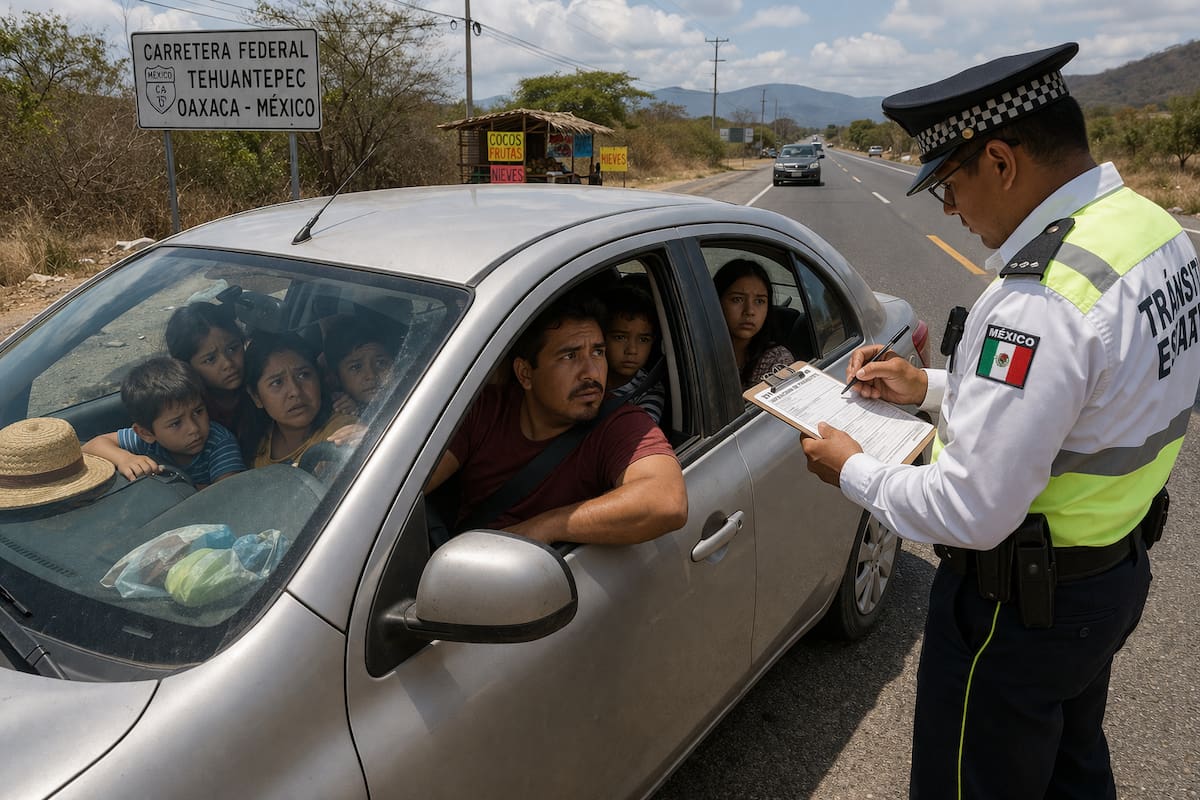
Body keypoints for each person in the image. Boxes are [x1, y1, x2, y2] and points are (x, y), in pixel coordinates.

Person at [800, 43, 1200, 799]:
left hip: (1015, 614)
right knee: (1072, 768)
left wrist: (849, 467)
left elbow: (972, 509)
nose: (953, 212)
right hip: (1109, 574)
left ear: (1001, 161)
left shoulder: (1040, 297)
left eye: (948, 188)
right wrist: (927, 386)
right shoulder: (1151, 231)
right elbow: (1084, 399)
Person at [424, 291, 687, 546]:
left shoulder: (620, 424)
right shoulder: (488, 409)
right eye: (570, 356)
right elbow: (404, 486)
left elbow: (666, 501)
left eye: (597, 352)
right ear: (525, 373)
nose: (591, 373)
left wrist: (545, 527)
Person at [83, 356, 245, 486]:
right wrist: (125, 459)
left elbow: (228, 496)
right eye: (176, 423)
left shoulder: (219, 444)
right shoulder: (144, 442)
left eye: (198, 412)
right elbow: (92, 446)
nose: (193, 428)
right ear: (146, 433)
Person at [242, 333, 359, 468]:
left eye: (303, 375)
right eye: (277, 382)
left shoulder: (342, 434)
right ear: (256, 397)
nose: (295, 391)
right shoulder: (257, 444)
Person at [165, 302, 257, 457]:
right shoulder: (186, 408)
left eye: (233, 349)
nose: (228, 363)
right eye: (210, 359)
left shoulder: (263, 387)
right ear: (187, 367)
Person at [713, 258, 794, 388]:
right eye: (737, 299)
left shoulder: (776, 360)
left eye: (759, 301)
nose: (749, 311)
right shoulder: (692, 349)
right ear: (716, 301)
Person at [602, 283, 666, 423]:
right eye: (620, 337)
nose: (632, 350)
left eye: (643, 339)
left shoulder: (648, 391)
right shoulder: (586, 376)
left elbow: (639, 434)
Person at [321, 315, 397, 418]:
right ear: (336, 378)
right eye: (356, 367)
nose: (371, 375)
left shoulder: (414, 398)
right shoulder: (337, 413)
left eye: (381, 363)